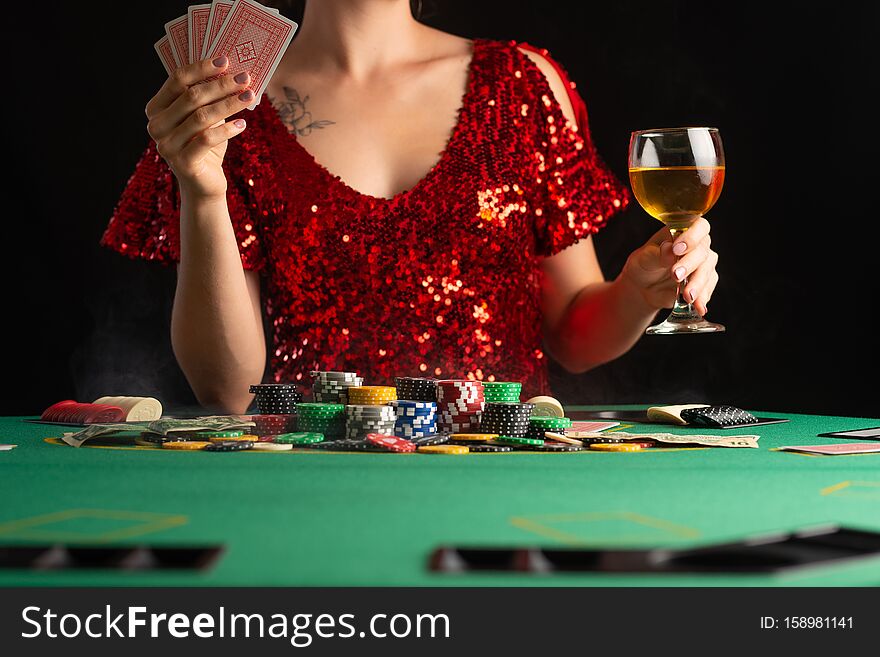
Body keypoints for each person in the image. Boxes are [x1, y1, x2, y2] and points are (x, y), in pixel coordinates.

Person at [103, 0, 719, 413]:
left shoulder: (522, 83)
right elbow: (229, 391)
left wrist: (639, 292)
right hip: (305, 488)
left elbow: (575, 339)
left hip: (501, 483)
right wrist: (203, 187)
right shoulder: (221, 106)